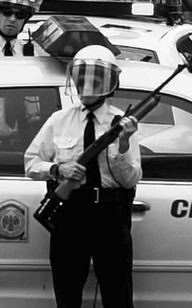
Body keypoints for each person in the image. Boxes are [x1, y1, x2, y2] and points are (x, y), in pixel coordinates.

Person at [24, 46, 140, 308]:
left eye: (95, 80)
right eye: (82, 79)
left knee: (118, 293)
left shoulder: (121, 123)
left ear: (110, 84)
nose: (87, 86)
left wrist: (123, 145)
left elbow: (131, 180)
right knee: (67, 291)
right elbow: (30, 162)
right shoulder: (59, 120)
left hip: (110, 215)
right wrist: (57, 170)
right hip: (70, 214)